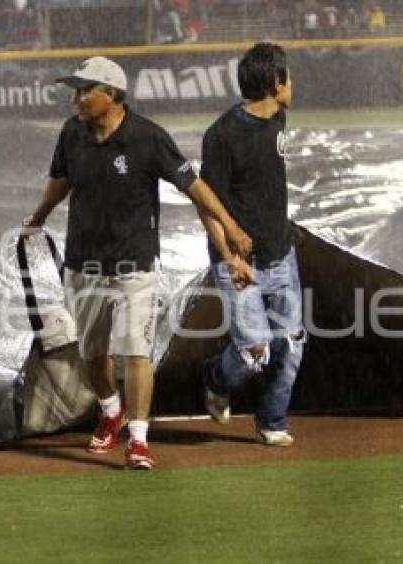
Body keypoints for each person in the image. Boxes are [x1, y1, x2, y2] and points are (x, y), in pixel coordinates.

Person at [24, 56, 251, 470]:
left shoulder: (148, 138)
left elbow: (195, 187)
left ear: (110, 94)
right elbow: (61, 180)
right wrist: (39, 216)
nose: (76, 99)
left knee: (136, 354)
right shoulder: (72, 133)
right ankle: (111, 409)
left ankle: (139, 440)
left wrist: (231, 229)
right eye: (75, 90)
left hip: (136, 268)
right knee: (93, 356)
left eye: (84, 90)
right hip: (84, 267)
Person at [199, 43, 306, 447]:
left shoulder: (279, 117)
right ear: (276, 83)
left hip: (282, 255)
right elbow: (207, 207)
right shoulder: (222, 135)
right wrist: (229, 258)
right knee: (254, 350)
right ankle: (214, 377)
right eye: (288, 77)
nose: (292, 84)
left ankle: (272, 421)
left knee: (291, 343)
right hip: (240, 261)